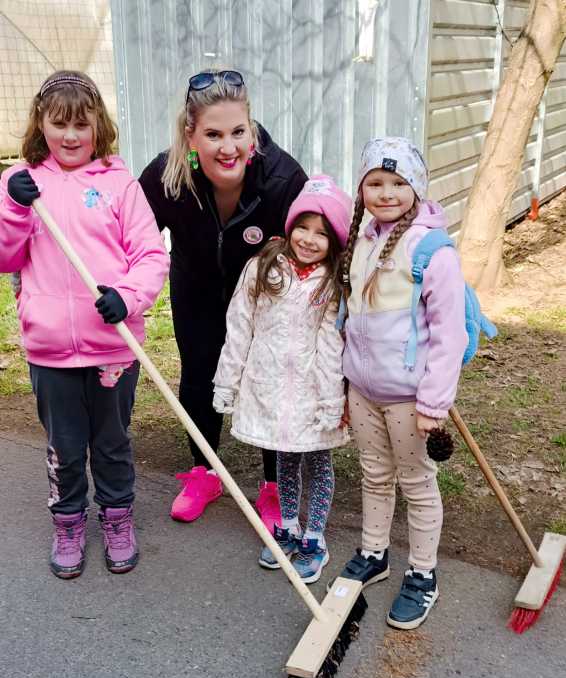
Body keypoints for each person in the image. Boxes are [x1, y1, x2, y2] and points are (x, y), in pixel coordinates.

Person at [0, 71, 169, 578]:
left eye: (82, 123)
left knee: (112, 443)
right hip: (50, 349)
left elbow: (150, 255)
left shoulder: (120, 184)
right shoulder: (22, 184)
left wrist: (127, 297)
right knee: (65, 448)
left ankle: (117, 519)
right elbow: (6, 258)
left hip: (111, 346)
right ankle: (68, 523)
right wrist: (14, 208)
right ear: (41, 124)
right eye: (60, 124)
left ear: (99, 125)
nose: (71, 135)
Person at [139, 69, 308, 527]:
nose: (228, 147)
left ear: (251, 130)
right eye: (213, 134)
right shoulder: (167, 176)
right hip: (196, 287)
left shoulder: (282, 178)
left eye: (238, 132)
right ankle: (204, 471)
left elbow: (315, 244)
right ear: (190, 135)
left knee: (266, 380)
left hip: (263, 298)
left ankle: (274, 486)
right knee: (199, 375)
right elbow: (130, 237)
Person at [337, 137, 468, 627]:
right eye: (375, 182)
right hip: (364, 390)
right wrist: (346, 384)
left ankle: (422, 573)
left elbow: (449, 335)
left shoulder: (432, 251)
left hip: (409, 398)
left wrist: (434, 403)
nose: (386, 192)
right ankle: (374, 553)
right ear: (362, 189)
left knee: (417, 483)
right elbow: (350, 317)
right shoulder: (361, 241)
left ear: (417, 187)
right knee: (374, 474)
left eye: (398, 182)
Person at [213, 176, 351, 582]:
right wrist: (227, 382)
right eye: (303, 227)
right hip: (270, 386)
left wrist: (332, 401)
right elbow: (240, 325)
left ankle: (314, 538)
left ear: (334, 240)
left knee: (318, 463)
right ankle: (287, 528)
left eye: (321, 233)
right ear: (290, 226)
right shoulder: (262, 268)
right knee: (284, 461)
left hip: (312, 391)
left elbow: (331, 345)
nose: (309, 239)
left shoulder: (331, 282)